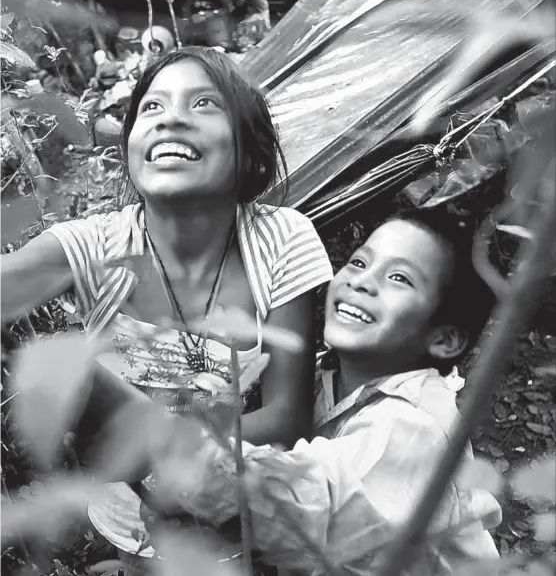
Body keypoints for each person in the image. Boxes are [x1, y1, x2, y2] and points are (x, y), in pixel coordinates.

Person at [1, 46, 333, 572]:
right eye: (151, 108)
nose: (172, 116)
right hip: (127, 513)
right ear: (132, 146)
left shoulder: (283, 239)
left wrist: (181, 467)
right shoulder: (96, 245)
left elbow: (289, 414)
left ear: (248, 151)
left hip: (246, 511)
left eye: (204, 104)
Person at [144, 209, 503, 575]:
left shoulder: (414, 426)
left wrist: (177, 456)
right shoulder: (322, 375)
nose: (361, 282)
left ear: (443, 339)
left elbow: (309, 501)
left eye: (398, 277)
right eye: (359, 261)